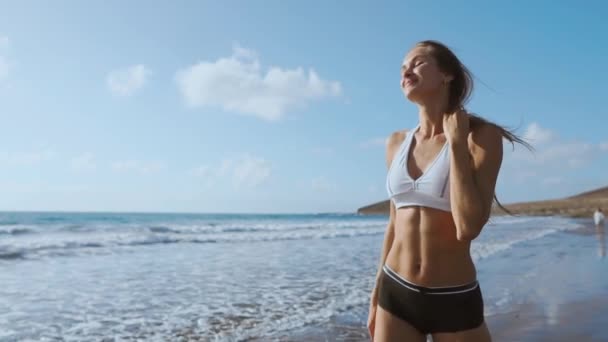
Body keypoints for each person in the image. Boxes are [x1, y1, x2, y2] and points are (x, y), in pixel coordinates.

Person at [367, 40, 530, 342]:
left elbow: (468, 228)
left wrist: (456, 144)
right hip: (396, 291)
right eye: (403, 67)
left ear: (447, 75)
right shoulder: (395, 143)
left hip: (453, 297)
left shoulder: (481, 137)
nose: (407, 70)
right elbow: (394, 224)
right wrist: (376, 292)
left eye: (417, 62)